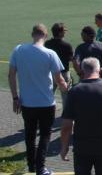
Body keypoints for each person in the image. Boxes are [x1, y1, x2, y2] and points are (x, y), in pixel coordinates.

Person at [8, 24, 69, 175]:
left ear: (32, 34)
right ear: (46, 36)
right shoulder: (50, 54)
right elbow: (59, 80)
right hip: (46, 103)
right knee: (45, 135)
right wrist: (67, 89)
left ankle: (31, 166)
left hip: (27, 102)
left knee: (29, 135)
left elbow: (11, 75)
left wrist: (15, 97)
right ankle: (40, 168)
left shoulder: (19, 50)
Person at [44, 23, 74, 109]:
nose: (65, 33)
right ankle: (66, 115)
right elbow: (71, 59)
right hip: (64, 74)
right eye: (64, 31)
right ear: (60, 33)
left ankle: (45, 110)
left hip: (50, 73)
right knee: (66, 96)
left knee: (48, 93)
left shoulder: (47, 44)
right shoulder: (67, 45)